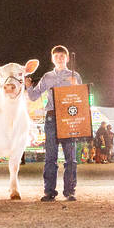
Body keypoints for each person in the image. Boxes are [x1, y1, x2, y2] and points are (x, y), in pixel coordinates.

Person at [26, 45, 84, 201]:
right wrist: (29, 87)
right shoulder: (47, 77)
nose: (59, 58)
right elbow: (33, 96)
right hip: (51, 118)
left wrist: (75, 86)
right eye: (56, 56)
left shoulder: (75, 76)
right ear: (52, 59)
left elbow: (81, 99)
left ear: (67, 58)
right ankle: (49, 191)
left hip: (69, 119)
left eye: (62, 56)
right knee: (50, 157)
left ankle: (70, 191)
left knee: (70, 158)